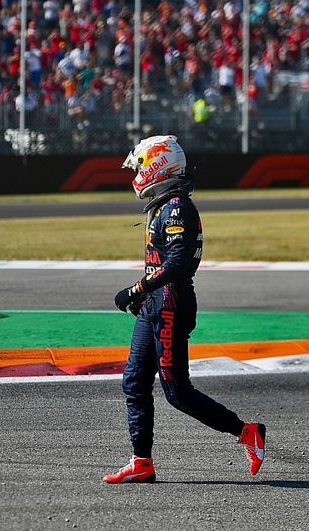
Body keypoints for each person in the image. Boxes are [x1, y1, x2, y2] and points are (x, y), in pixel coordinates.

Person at [103, 135, 266, 484]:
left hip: (171, 306)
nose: (136, 175)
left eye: (141, 167)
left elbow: (179, 264)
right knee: (134, 381)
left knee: (177, 392)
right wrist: (142, 296)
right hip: (154, 305)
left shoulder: (177, 207)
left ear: (158, 166)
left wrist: (136, 289)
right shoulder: (162, 206)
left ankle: (247, 432)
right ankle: (141, 461)